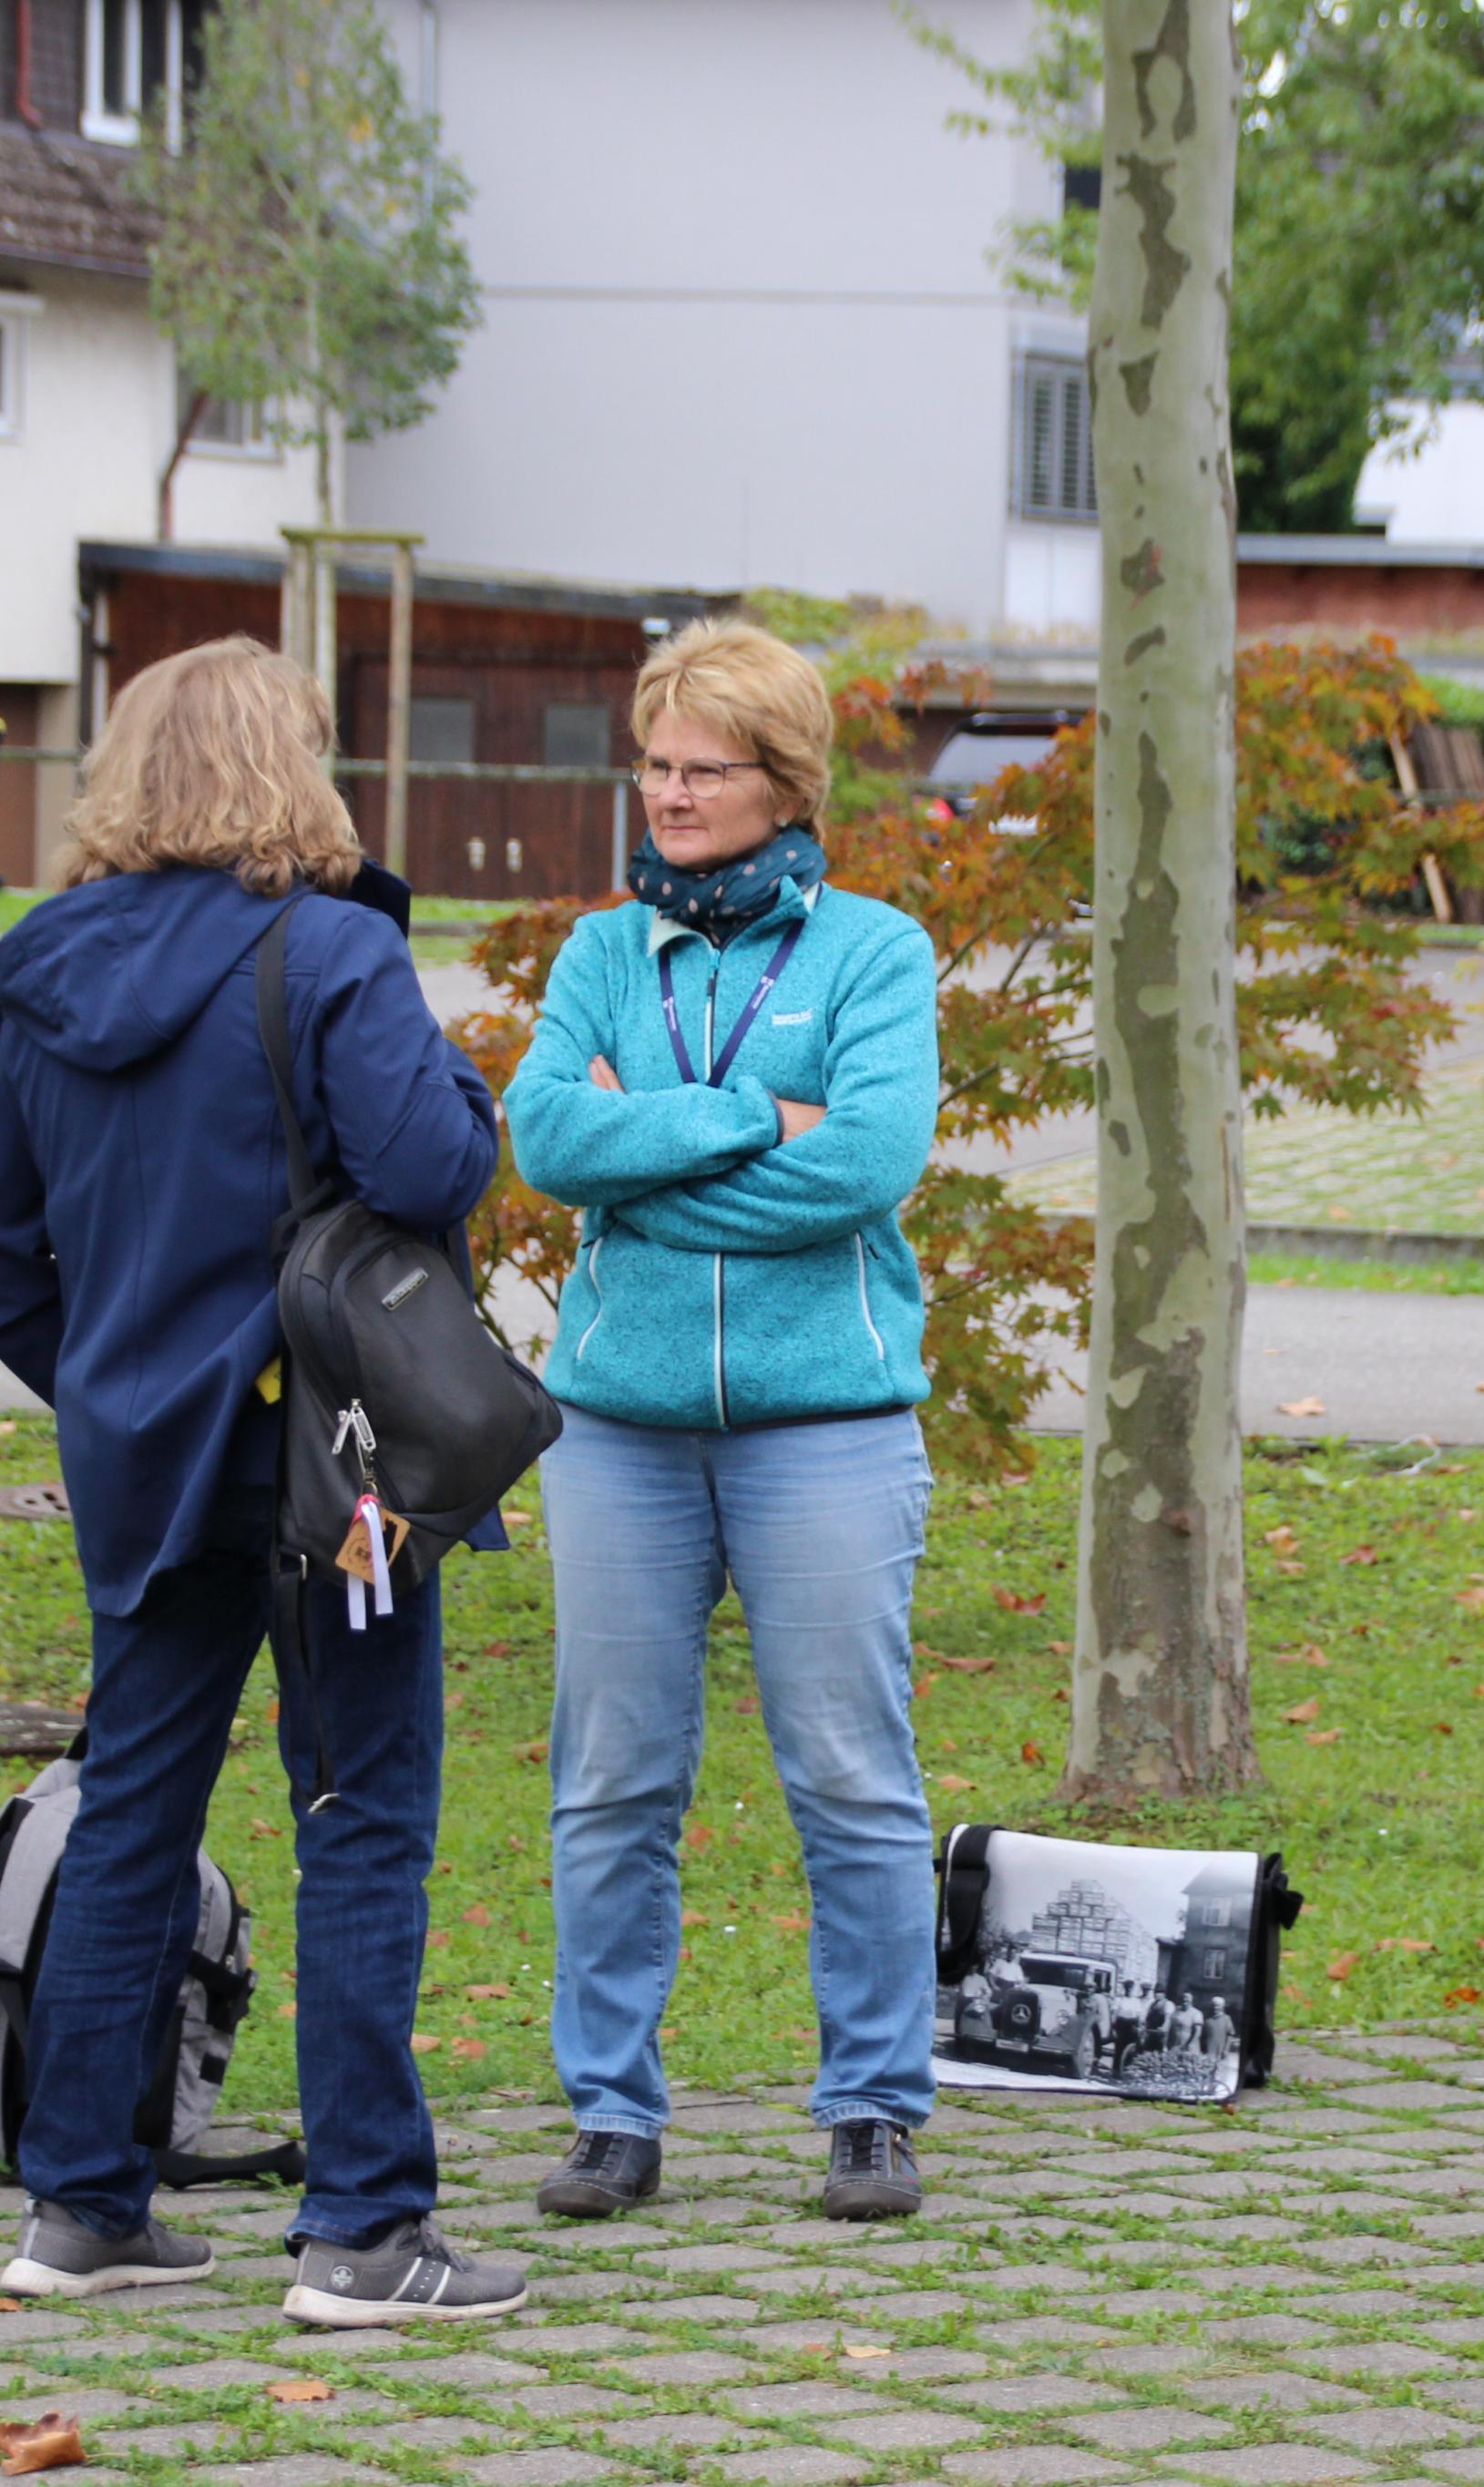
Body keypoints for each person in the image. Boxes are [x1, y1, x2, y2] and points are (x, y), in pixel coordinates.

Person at [0, 637, 527, 2327]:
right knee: (358, 1810)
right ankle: (366, 2231)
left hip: (148, 1466)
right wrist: (468, 1081)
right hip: (330, 1467)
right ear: (295, 766)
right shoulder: (333, 950)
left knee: (133, 1810)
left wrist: (117, 1392)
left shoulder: (39, 979)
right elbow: (429, 1164)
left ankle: (80, 2205)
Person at [504, 619, 943, 2224]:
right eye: (655, 764)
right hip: (617, 1428)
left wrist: (652, 1151)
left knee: (851, 1775)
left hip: (828, 1425)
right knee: (611, 1783)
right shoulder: (601, 953)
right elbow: (546, 1137)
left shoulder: (875, 954)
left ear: (786, 780)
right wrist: (759, 1118)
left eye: (704, 768)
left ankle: (874, 2105)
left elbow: (868, 1165)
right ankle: (611, 2112)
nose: (669, 793)